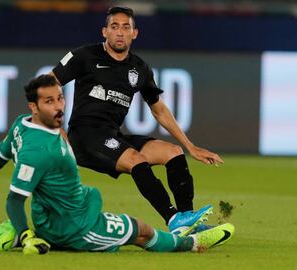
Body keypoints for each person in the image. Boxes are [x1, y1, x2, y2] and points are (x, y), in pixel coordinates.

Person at [0, 74, 234, 254]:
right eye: (49, 102)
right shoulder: (42, 150)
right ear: (34, 106)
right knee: (143, 231)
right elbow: (15, 199)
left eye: (60, 99)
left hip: (57, 213)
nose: (59, 107)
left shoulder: (21, 126)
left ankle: (14, 234)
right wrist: (27, 234)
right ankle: (192, 243)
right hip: (76, 226)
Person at [50, 6, 224, 233]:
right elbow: (48, 83)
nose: (120, 32)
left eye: (126, 27)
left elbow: (159, 110)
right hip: (85, 136)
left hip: (112, 135)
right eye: (114, 27)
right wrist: (57, 128)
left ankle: (186, 220)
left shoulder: (139, 68)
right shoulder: (85, 55)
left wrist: (190, 146)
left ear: (135, 33)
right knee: (136, 160)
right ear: (105, 32)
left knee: (172, 152)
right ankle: (173, 219)